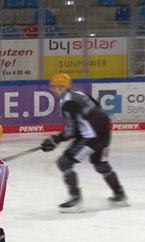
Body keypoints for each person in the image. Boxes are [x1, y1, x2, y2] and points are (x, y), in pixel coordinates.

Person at [40, 73, 128, 211]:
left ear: (61, 87)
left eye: (55, 87)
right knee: (100, 164)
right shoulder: (78, 93)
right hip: (104, 132)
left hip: (91, 136)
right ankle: (119, 193)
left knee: (64, 162)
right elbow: (96, 106)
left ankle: (75, 198)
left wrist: (55, 140)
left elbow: (71, 131)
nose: (53, 90)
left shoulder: (67, 103)